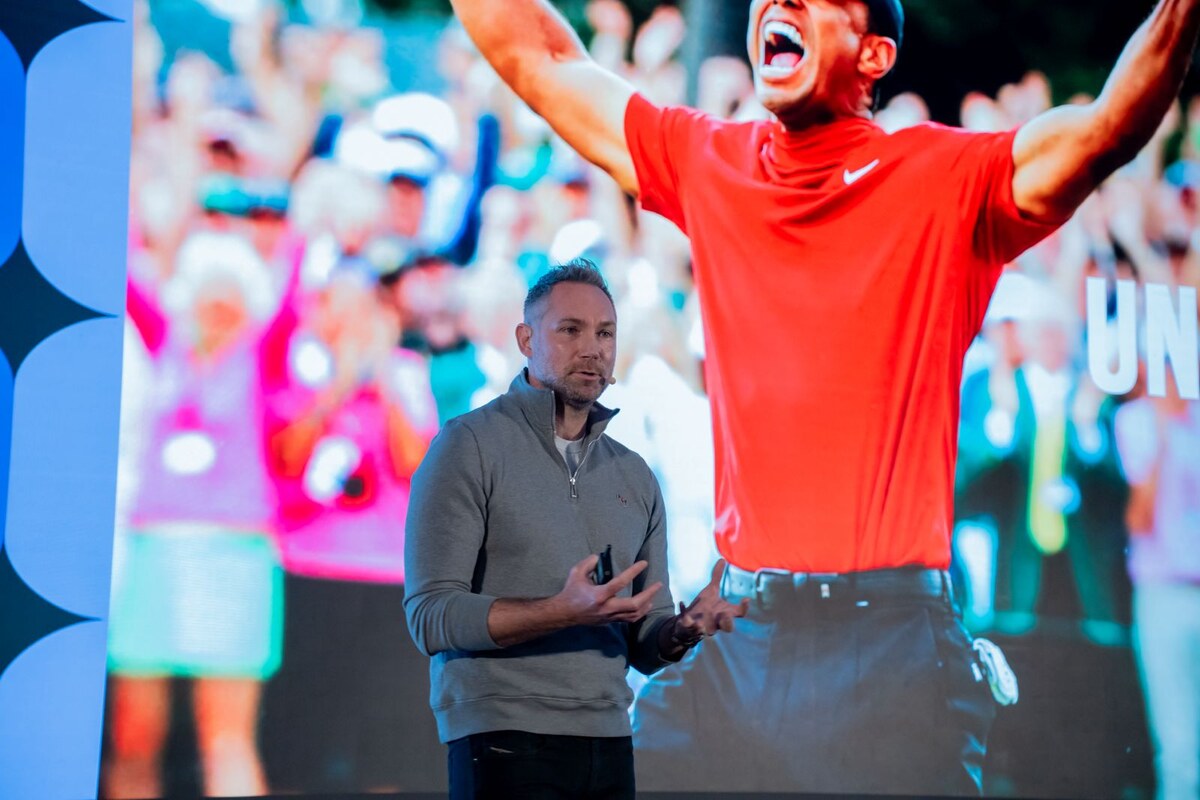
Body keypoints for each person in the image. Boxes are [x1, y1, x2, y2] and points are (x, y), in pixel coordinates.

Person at [445, 0, 1200, 793]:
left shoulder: (949, 178)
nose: (782, 3)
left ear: (873, 57)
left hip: (891, 653)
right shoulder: (709, 158)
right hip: (736, 635)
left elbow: (1110, 124)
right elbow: (546, 62)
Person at [403, 262, 747, 799]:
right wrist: (560, 611)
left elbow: (644, 644)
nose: (592, 348)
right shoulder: (466, 445)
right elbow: (430, 617)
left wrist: (683, 629)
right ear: (525, 339)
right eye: (570, 330)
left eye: (605, 333)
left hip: (609, 739)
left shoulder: (634, 473)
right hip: (501, 740)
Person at [1115, 376, 1200, 800]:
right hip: (1164, 593)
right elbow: (1139, 518)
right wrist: (1166, 435)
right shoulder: (1136, 421)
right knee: (1180, 749)